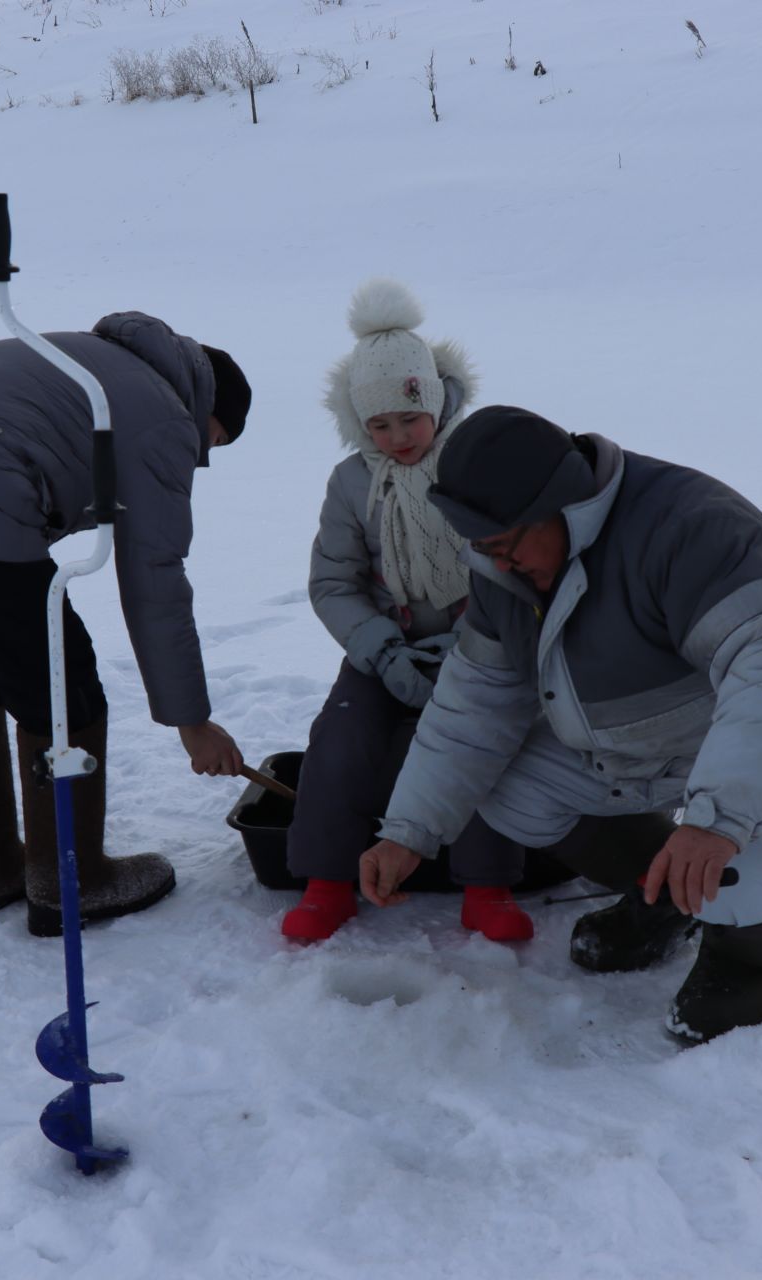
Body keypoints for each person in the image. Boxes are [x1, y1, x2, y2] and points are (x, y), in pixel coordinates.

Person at [358, 406, 762, 1042]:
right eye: (481, 550)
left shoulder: (692, 529)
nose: (496, 565)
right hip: (658, 738)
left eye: (503, 546)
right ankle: (668, 893)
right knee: (512, 791)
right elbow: (473, 706)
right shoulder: (504, 565)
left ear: (559, 505)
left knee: (737, 867)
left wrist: (717, 823)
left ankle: (753, 957)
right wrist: (409, 831)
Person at [0, 311, 250, 936]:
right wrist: (191, 721)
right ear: (208, 409)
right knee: (63, 682)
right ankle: (73, 880)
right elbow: (155, 580)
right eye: (213, 444)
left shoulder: (95, 360)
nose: (202, 460)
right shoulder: (165, 414)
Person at [280, 279, 533, 944]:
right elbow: (333, 581)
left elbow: (513, 563)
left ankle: (488, 886)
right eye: (380, 425)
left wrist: (473, 642)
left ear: (439, 402)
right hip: (386, 646)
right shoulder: (351, 483)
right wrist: (382, 651)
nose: (398, 437)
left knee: (481, 740)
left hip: (479, 647)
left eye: (410, 419)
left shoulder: (476, 465)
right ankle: (328, 881)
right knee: (342, 738)